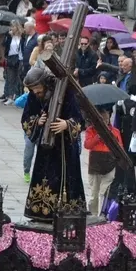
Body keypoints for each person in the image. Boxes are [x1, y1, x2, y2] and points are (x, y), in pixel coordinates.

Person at [21, 68, 86, 221]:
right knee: (44, 176)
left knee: (68, 179)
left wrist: (66, 124)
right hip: (45, 147)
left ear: (44, 83)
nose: (36, 93)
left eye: (38, 89)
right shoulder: (34, 95)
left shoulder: (65, 90)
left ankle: (69, 212)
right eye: (33, 90)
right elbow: (26, 119)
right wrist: (38, 121)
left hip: (65, 147)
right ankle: (40, 212)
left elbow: (79, 119)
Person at [85, 106, 122, 214]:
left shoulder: (115, 131)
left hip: (109, 166)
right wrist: (98, 136)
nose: (105, 121)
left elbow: (120, 148)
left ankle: (102, 215)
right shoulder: (90, 130)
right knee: (94, 195)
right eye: (102, 119)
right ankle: (93, 216)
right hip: (95, 166)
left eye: (106, 119)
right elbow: (87, 145)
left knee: (103, 193)